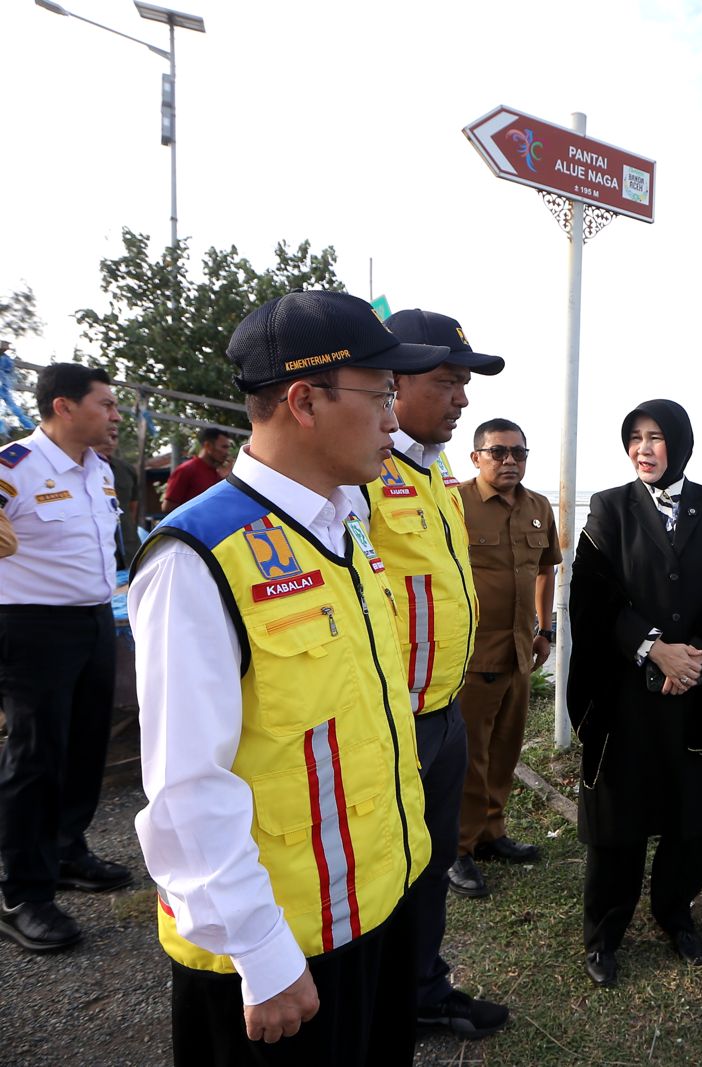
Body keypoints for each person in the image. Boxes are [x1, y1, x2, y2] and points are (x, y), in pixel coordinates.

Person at [128, 291, 441, 1063]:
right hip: (283, 954)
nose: (394, 421)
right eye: (381, 395)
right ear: (303, 400)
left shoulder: (346, 526)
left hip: (375, 909)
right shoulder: (197, 557)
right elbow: (185, 791)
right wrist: (263, 955)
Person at [351, 308, 508, 1039]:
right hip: (393, 721)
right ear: (395, 382)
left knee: (431, 860)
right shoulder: (360, 476)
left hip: (442, 711)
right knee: (387, 871)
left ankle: (420, 986)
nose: (463, 398)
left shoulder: (433, 463)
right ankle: (384, 997)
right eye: (449, 381)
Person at [568, 399, 702, 988]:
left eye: (655, 437)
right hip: (627, 696)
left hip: (698, 693)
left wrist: (694, 657)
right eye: (634, 438)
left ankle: (676, 914)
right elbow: (593, 600)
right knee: (619, 821)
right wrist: (654, 648)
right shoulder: (609, 510)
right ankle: (604, 935)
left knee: (690, 816)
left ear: (679, 442)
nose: (643, 448)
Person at [0, 363, 131, 955]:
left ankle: (65, 849)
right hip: (31, 626)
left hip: (94, 619)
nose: (115, 414)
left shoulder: (99, 471)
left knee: (84, 744)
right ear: (63, 407)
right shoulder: (16, 465)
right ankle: (20, 892)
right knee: (35, 757)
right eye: (105, 404)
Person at [456, 418, 560, 891]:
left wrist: (545, 630)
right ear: (476, 456)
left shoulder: (537, 507)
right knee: (469, 756)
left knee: (504, 749)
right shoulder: (454, 504)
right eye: (498, 452)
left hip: (521, 651)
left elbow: (545, 570)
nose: (510, 461)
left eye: (519, 452)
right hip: (472, 654)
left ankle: (491, 833)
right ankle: (458, 849)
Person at [94, 421, 141, 567]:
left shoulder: (126, 469)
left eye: (114, 437)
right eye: (104, 437)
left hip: (129, 544)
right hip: (98, 548)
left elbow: (133, 507)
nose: (109, 442)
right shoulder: (79, 468)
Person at [162, 425, 232, 511]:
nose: (227, 452)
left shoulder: (215, 473)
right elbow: (167, 507)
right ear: (208, 446)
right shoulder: (186, 470)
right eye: (224, 447)